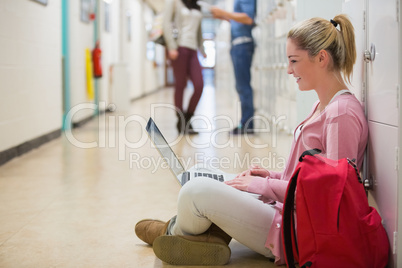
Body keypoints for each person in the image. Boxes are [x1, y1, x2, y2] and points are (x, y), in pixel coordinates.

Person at [135, 14, 368, 265]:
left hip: (295, 232)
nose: (289, 70)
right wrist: (269, 176)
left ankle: (175, 232)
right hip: (283, 208)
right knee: (199, 173)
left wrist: (263, 187)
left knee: (194, 191)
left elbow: (331, 199)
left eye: (294, 61)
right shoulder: (322, 106)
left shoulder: (340, 114)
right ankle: (205, 236)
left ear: (322, 58)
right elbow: (307, 177)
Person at [210, 0, 257, 134]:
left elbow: (248, 18)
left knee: (243, 87)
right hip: (239, 44)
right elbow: (239, 21)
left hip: (242, 44)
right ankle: (245, 122)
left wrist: (224, 13)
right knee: (241, 86)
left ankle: (247, 125)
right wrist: (223, 17)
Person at [163, 0, 206, 134]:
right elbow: (166, 23)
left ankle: (188, 118)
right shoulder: (174, 2)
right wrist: (171, 45)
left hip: (193, 50)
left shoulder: (197, 4)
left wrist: (202, 49)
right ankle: (181, 121)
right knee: (180, 85)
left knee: (199, 85)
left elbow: (199, 29)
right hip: (179, 48)